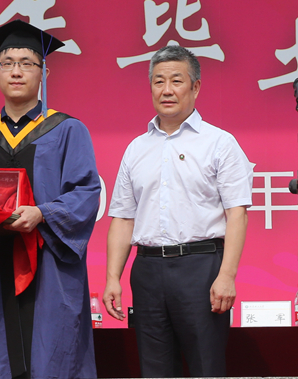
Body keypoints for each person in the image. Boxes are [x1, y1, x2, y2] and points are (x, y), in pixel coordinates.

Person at [0, 20, 101, 379]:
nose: (16, 71)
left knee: (52, 352)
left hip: (50, 263)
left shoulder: (68, 130)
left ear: (44, 73)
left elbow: (86, 193)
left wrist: (42, 213)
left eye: (27, 63)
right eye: (7, 63)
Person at [103, 45, 252, 378]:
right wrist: (113, 277)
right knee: (154, 369)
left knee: (205, 366)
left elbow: (237, 214)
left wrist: (227, 276)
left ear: (195, 87)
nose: (167, 90)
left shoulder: (219, 143)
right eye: (158, 81)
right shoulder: (136, 148)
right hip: (147, 270)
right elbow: (123, 218)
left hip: (201, 268)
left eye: (176, 80)